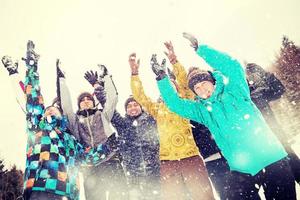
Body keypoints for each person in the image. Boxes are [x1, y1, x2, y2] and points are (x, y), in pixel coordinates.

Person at [153, 33, 296, 200]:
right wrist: (162, 79)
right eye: (197, 88)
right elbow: (175, 104)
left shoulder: (236, 91)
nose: (202, 90)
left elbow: (233, 66)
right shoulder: (202, 111)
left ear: (213, 81)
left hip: (272, 159)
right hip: (242, 170)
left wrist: (201, 48)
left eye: (204, 84)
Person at [16, 40, 116, 200]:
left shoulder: (69, 139)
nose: (50, 108)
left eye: (55, 108)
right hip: (40, 188)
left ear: (62, 115)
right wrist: (31, 67)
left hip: (68, 193)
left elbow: (86, 156)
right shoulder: (38, 127)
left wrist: (107, 148)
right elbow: (33, 96)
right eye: (47, 108)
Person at [129, 53, 214, 200]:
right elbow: (140, 97)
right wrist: (134, 74)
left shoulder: (185, 104)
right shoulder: (157, 108)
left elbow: (187, 86)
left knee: (203, 196)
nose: (170, 86)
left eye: (172, 83)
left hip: (190, 158)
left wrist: (174, 61)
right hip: (168, 162)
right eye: (166, 84)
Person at [163, 41, 232, 200]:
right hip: (210, 157)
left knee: (244, 190)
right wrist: (172, 69)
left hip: (230, 151)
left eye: (203, 84)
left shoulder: (205, 99)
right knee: (226, 193)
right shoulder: (185, 106)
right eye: (195, 85)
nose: (200, 88)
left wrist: (175, 61)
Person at [58, 64, 127, 200]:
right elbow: (65, 106)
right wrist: (61, 79)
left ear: (93, 102)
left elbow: (112, 99)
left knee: (120, 195)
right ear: (79, 105)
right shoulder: (75, 121)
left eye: (88, 99)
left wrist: (106, 77)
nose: (85, 101)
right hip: (90, 165)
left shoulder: (102, 115)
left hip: (111, 161)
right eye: (82, 100)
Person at [247, 63, 300, 184]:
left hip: (276, 135)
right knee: (281, 179)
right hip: (260, 145)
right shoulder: (235, 100)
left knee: (293, 163)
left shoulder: (256, 92)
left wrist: (265, 75)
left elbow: (278, 90)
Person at [111, 96, 160, 200]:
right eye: (129, 106)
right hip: (134, 177)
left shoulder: (151, 120)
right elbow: (110, 110)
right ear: (126, 110)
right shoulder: (123, 124)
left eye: (135, 105)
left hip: (155, 174)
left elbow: (160, 106)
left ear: (141, 107)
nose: (133, 108)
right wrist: (99, 89)